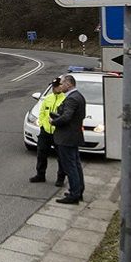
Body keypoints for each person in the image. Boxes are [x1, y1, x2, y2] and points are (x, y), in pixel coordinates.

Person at [50, 75, 87, 204]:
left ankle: (74, 194)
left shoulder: (72, 99)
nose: (61, 86)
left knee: (70, 166)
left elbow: (66, 117)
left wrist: (53, 121)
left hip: (67, 137)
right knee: (76, 165)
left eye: (63, 83)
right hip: (74, 135)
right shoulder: (79, 96)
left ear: (69, 84)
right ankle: (78, 191)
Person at [30, 75, 67, 184]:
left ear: (61, 86)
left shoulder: (65, 99)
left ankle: (60, 178)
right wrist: (42, 124)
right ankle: (40, 175)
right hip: (45, 131)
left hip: (58, 132)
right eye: (53, 86)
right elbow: (41, 113)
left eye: (56, 86)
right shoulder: (48, 98)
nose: (54, 88)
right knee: (41, 154)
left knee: (61, 157)